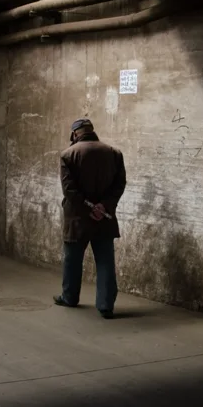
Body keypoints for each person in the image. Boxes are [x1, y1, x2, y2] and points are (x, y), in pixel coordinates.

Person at [53, 118, 127, 319]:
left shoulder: (68, 154)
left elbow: (69, 190)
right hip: (104, 218)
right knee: (105, 261)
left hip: (77, 219)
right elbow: (120, 184)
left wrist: (88, 207)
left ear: (75, 134)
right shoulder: (114, 153)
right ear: (92, 131)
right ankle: (105, 305)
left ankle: (69, 297)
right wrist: (104, 206)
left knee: (73, 259)